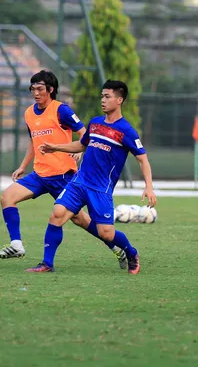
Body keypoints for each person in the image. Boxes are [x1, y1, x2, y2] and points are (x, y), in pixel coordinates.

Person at [0, 70, 127, 269]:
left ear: (51, 89)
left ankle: (117, 248)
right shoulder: (29, 113)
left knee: (80, 219)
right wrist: (23, 165)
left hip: (63, 175)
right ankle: (16, 245)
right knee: (7, 197)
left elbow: (84, 133)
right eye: (33, 89)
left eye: (40, 89)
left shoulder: (61, 110)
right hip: (39, 175)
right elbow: (34, 141)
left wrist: (80, 152)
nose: (35, 93)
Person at [29, 80, 157, 274]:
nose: (103, 100)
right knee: (57, 214)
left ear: (119, 100)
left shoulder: (126, 131)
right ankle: (47, 264)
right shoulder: (95, 123)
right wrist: (55, 147)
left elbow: (143, 159)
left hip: (100, 189)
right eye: (102, 96)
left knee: (106, 233)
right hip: (79, 182)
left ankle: (131, 252)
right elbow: (81, 145)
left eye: (107, 96)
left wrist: (149, 187)